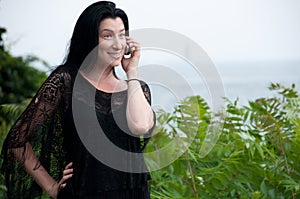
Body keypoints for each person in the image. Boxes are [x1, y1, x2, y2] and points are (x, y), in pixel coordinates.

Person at [1, 1, 155, 198]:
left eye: (122, 34)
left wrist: (132, 71)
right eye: (107, 35)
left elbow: (140, 126)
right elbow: (17, 139)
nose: (118, 44)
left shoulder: (136, 88)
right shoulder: (65, 82)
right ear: (90, 39)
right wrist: (51, 187)